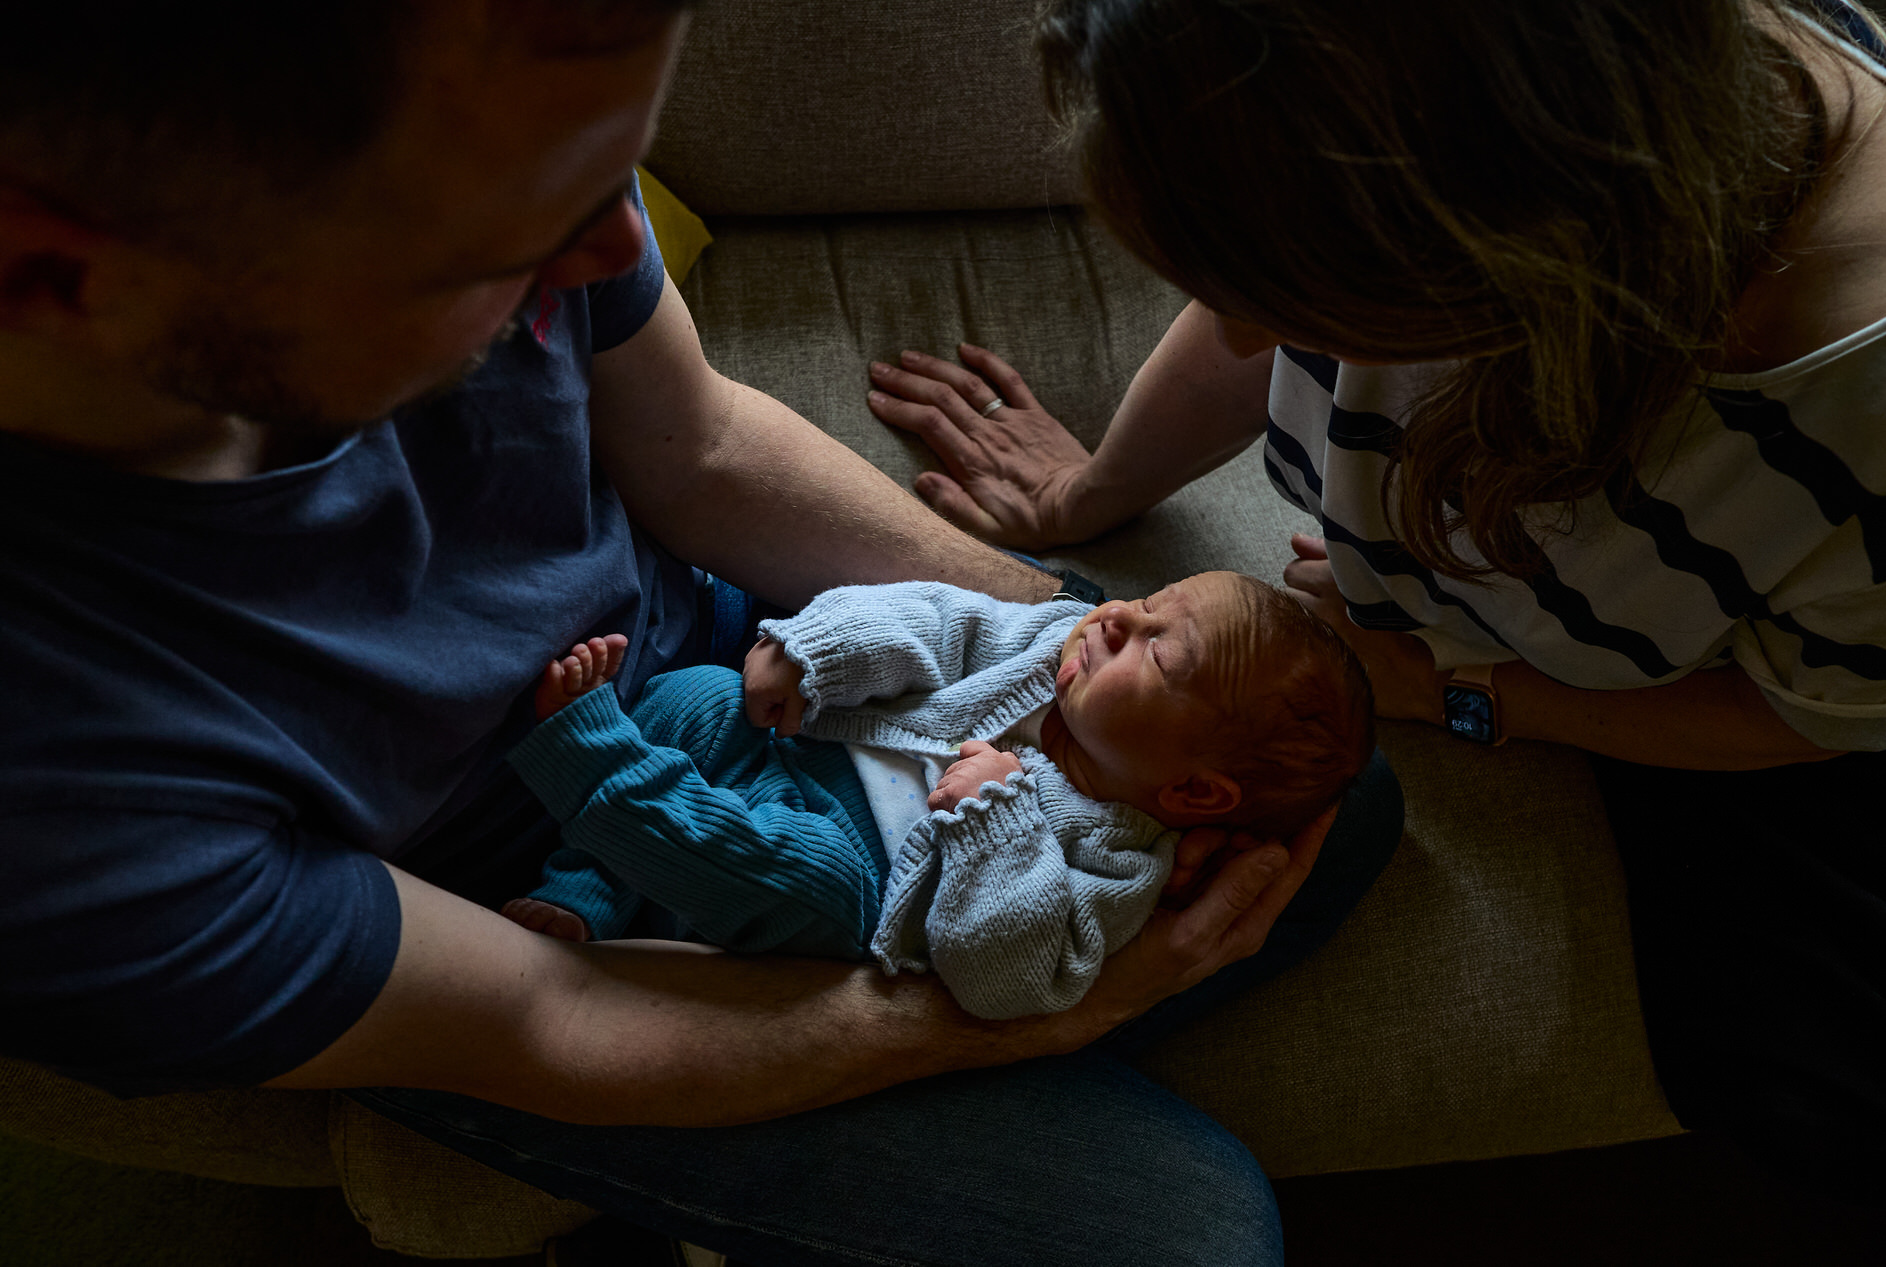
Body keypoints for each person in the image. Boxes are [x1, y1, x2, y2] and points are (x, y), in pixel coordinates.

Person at [0, 4, 1405, 1262]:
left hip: (730, 673)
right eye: (509, 231)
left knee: (1331, 798)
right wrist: (1026, 1010)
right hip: (525, 917)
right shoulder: (61, 796)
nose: (624, 251)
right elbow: (543, 1016)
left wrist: (1042, 634)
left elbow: (712, 444)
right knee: (1191, 1231)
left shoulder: (495, 112)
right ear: (59, 281)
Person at [866, 0, 1886, 1207]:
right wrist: (1088, 488)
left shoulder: (1859, 411)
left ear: (1516, 253)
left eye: (1290, 294)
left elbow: (1807, 714)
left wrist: (1458, 690)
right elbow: (1248, 304)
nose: (1246, 336)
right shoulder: (1382, 114)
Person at [501, 572, 1374, 1019]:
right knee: (699, 697)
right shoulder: (1045, 644)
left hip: (854, 884)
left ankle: (594, 768)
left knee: (804, 878)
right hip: (802, 747)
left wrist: (997, 819)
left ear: (1192, 786)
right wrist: (815, 651)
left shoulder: (1119, 863)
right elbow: (935, 616)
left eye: (1155, 650)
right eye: (1146, 602)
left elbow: (1009, 976)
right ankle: (586, 889)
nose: (1115, 619)